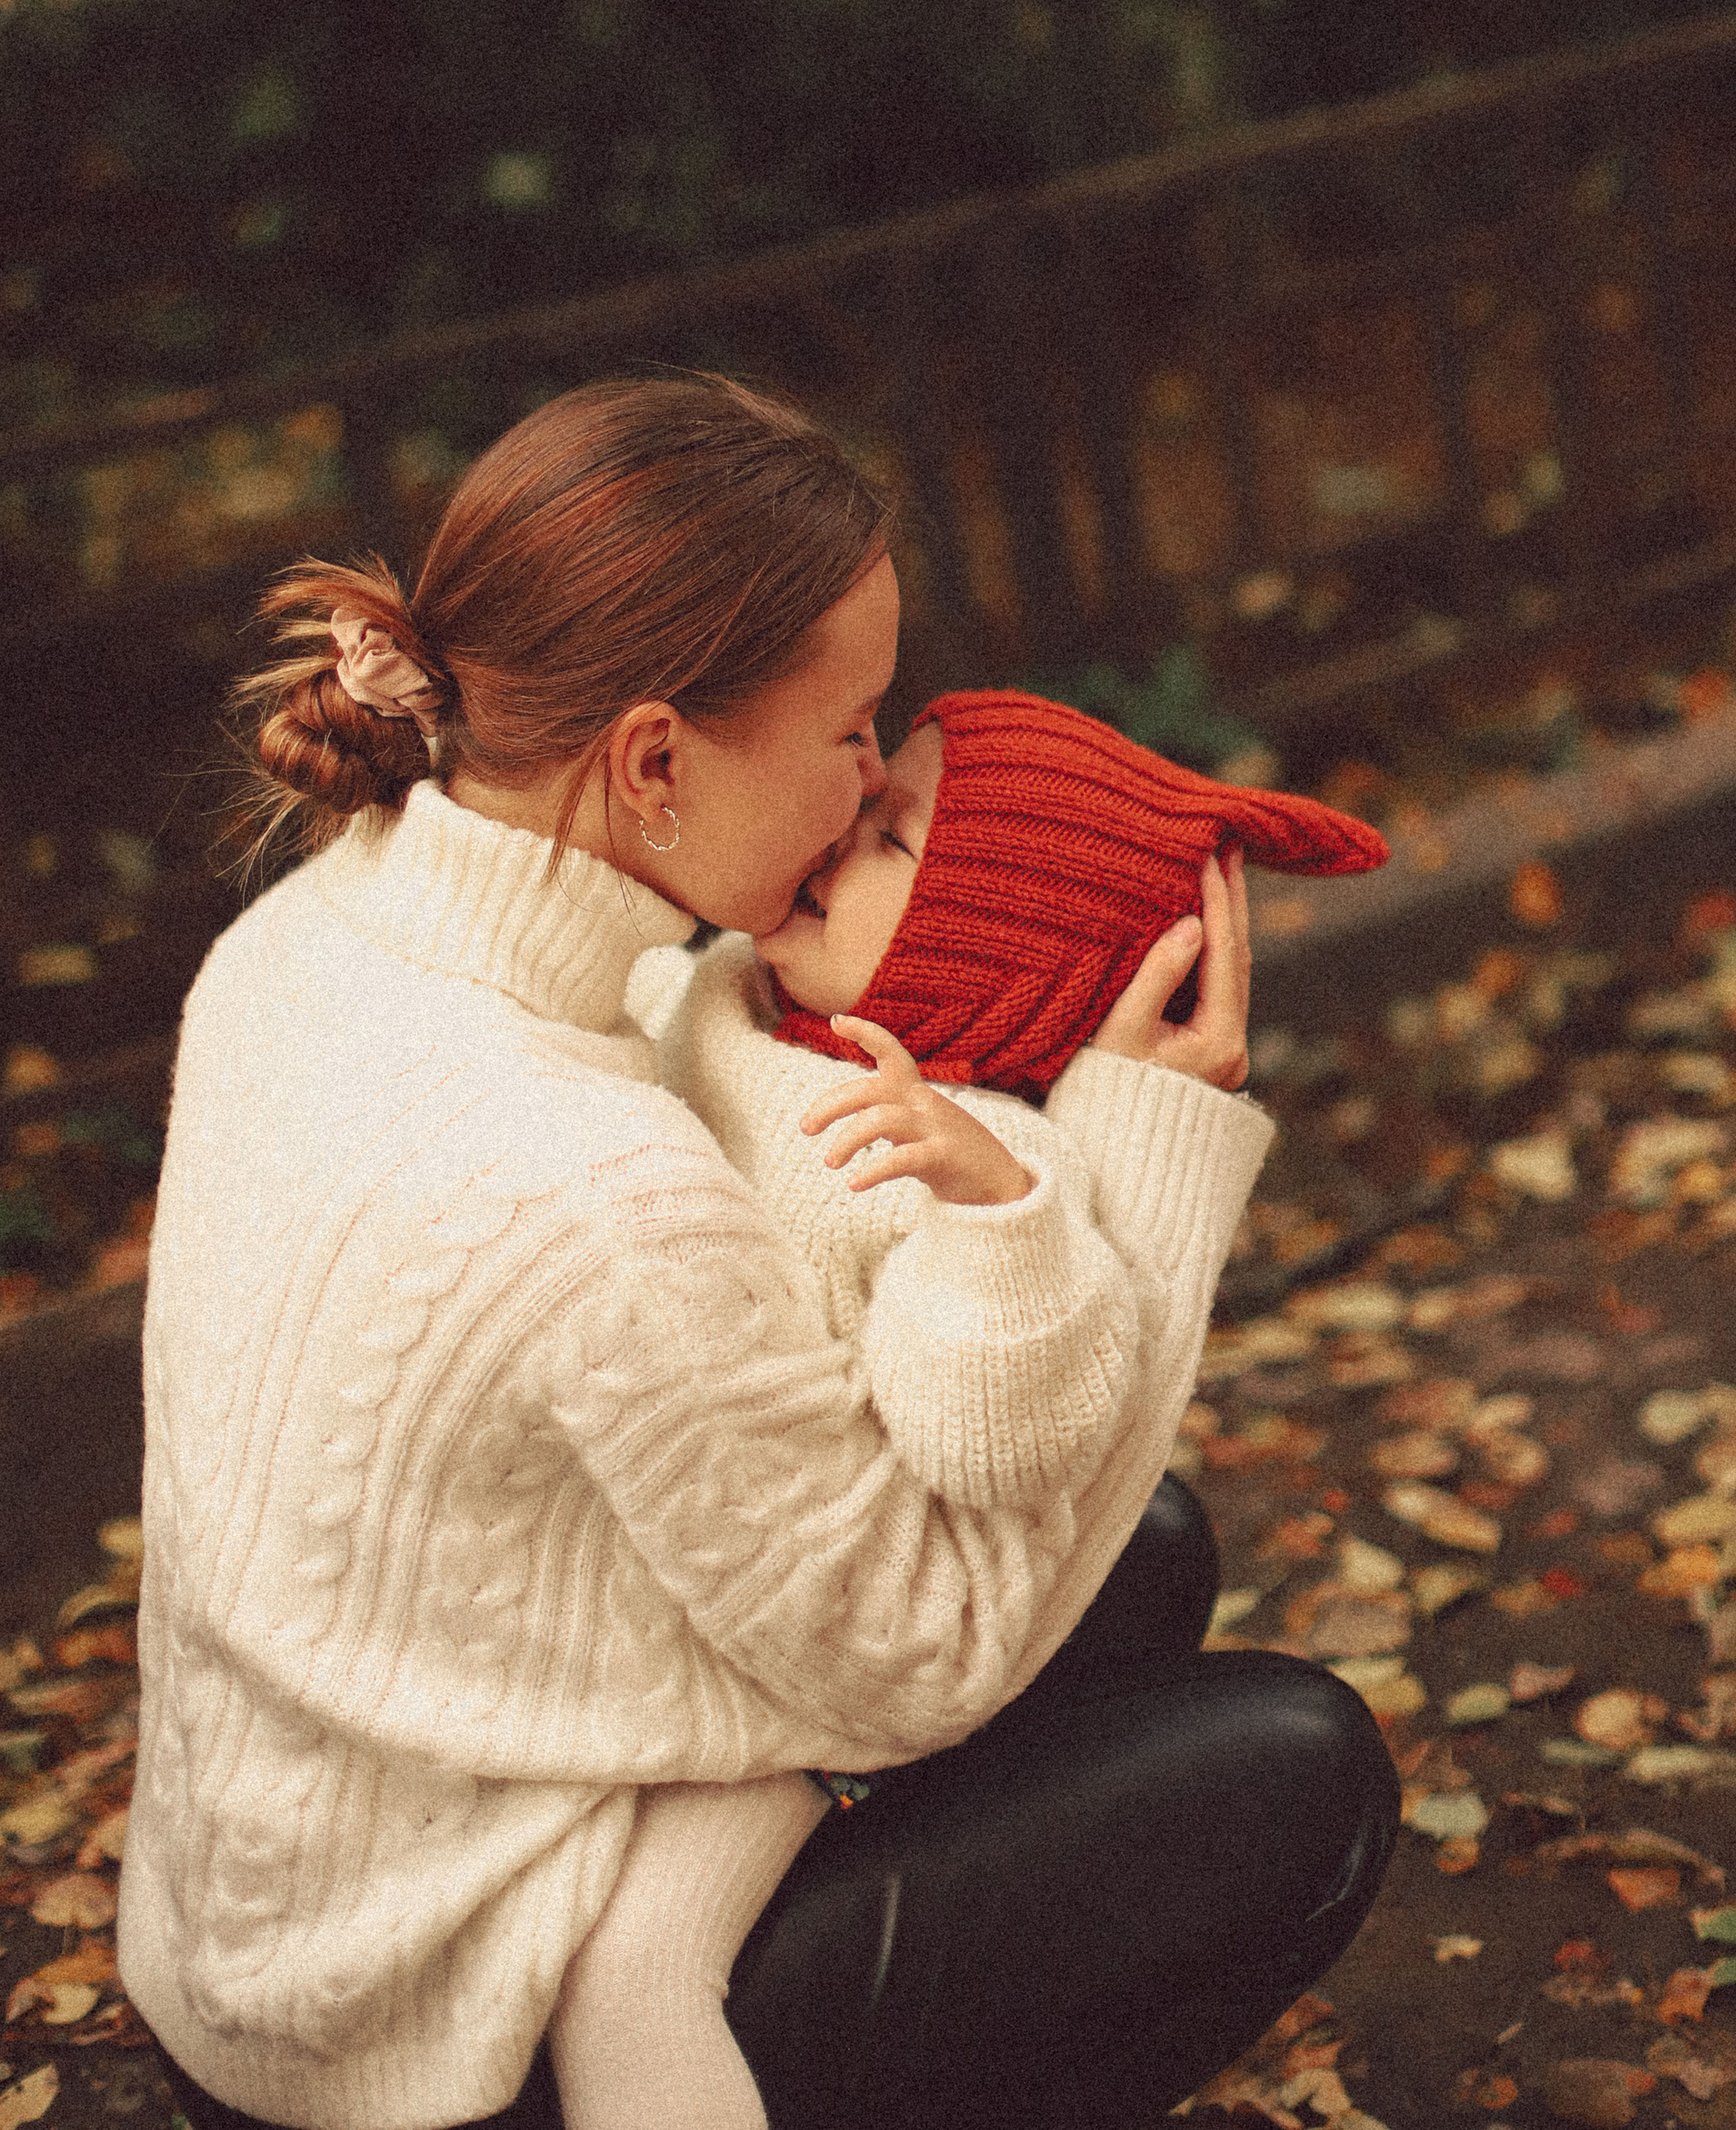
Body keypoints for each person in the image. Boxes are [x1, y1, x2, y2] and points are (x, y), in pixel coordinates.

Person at [115, 375, 1398, 2130]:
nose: (874, 777)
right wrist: (1144, 1154)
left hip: (266, 1909)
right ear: (653, 761)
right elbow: (924, 1655)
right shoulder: (589, 1185)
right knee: (1297, 1775)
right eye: (851, 730)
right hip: (415, 2026)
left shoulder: (304, 940)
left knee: (1139, 1554)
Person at [583, 687, 1391, 2130]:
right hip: (657, 1598)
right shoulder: (723, 993)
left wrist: (994, 1213)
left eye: (895, 834)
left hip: (776, 1683)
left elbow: (991, 1442)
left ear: (990, 953)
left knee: (643, 1979)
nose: (845, 816)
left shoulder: (985, 1163)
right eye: (869, 777)